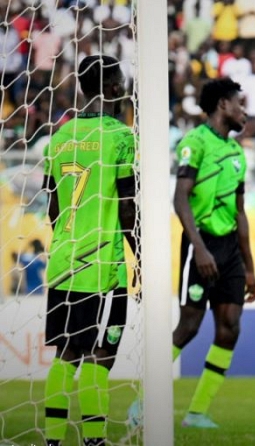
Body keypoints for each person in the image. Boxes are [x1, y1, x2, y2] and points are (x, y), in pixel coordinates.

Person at [42, 54, 137, 446]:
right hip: (102, 264)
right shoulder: (120, 136)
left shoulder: (59, 137)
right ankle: (94, 440)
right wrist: (141, 255)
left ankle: (51, 440)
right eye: (122, 82)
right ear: (114, 87)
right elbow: (127, 207)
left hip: (63, 261)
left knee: (66, 353)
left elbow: (52, 208)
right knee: (101, 354)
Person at [171, 78, 255, 428]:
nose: (244, 112)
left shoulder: (237, 153)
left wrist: (249, 268)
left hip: (229, 249)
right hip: (201, 245)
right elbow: (180, 198)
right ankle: (143, 404)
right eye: (240, 104)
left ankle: (197, 412)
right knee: (188, 327)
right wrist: (199, 249)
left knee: (230, 327)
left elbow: (240, 213)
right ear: (223, 104)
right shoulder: (195, 142)